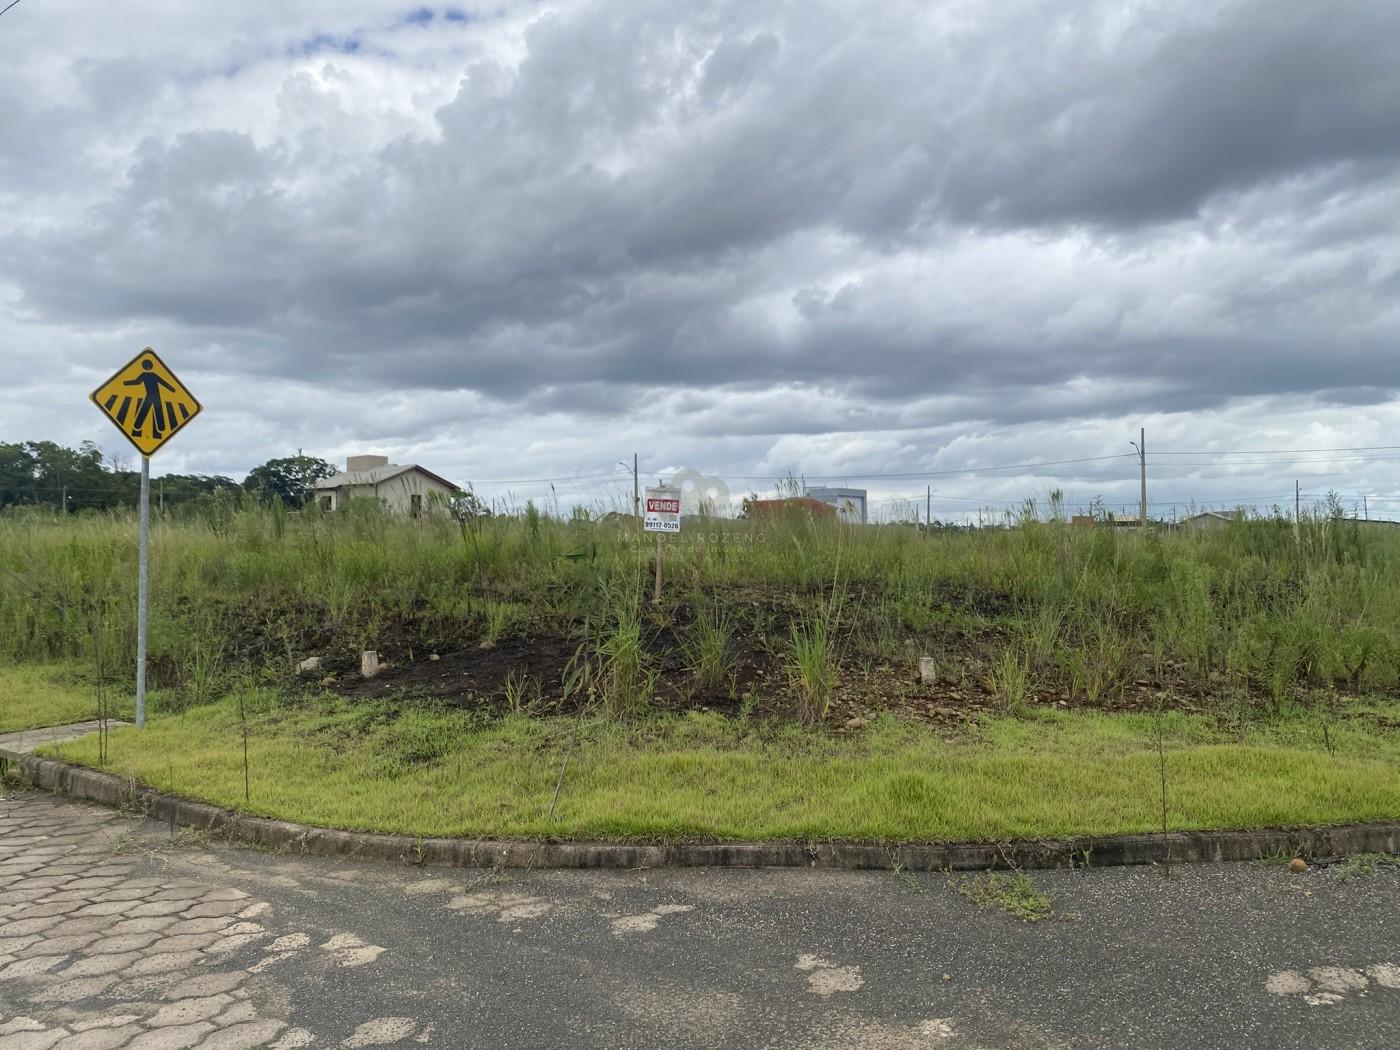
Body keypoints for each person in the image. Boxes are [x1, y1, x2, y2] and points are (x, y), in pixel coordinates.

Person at [124, 358, 177, 439]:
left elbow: (137, 382)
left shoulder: (144, 375)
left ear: (143, 366)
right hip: (156, 395)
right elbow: (163, 382)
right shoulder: (153, 375)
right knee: (157, 411)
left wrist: (126, 383)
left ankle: (137, 426)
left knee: (145, 410)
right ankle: (160, 427)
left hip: (150, 395)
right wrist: (172, 389)